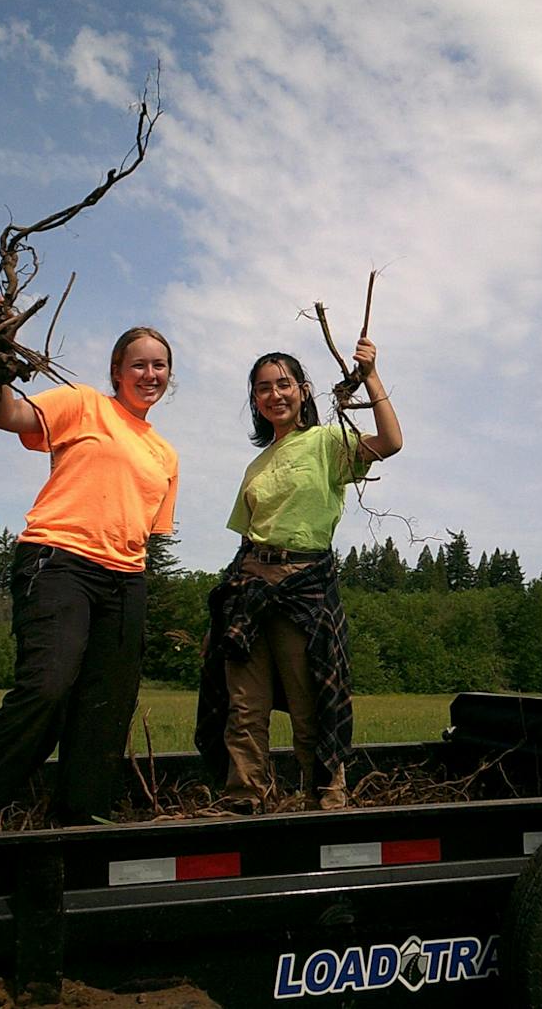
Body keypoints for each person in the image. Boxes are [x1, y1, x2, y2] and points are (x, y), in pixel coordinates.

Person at [0, 322, 178, 828]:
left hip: (126, 579)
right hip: (58, 561)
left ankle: (80, 817)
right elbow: (7, 415)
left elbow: (146, 532)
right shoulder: (84, 403)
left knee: (107, 704)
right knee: (47, 686)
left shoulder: (165, 454)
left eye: (159, 366)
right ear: (117, 372)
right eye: (138, 364)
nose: (149, 374)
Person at [195, 339, 402, 811]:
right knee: (244, 708)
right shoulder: (256, 465)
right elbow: (246, 542)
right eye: (263, 388)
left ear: (304, 391)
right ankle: (245, 796)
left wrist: (370, 375)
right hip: (249, 591)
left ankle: (326, 797)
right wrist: (218, 620)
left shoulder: (327, 442)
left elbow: (390, 443)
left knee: (311, 703)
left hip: (304, 588)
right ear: (254, 400)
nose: (275, 395)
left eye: (283, 384)